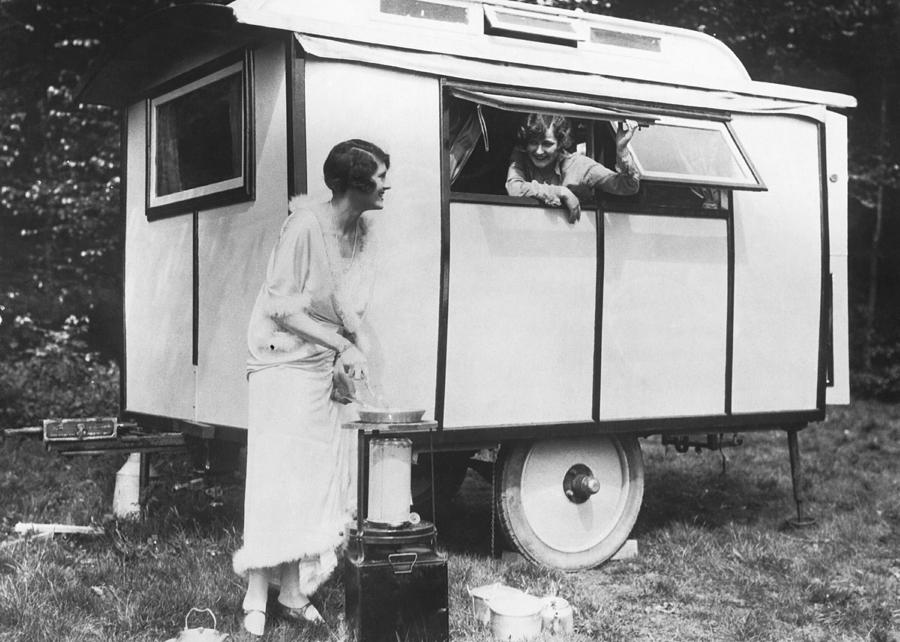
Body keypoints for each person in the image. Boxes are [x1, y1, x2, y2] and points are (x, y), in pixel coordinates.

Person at [233, 139, 390, 637]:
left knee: (314, 478)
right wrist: (343, 347)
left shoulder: (362, 230)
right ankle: (255, 594)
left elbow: (347, 307)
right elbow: (283, 307)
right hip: (281, 359)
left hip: (320, 361)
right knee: (276, 477)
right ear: (351, 185)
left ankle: (294, 591)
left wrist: (355, 349)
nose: (387, 184)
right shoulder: (303, 226)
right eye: (380, 176)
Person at [505, 113, 640, 223]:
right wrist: (560, 192)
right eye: (533, 143)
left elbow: (628, 186)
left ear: (560, 144)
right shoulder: (521, 156)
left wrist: (622, 150)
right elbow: (514, 188)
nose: (539, 151)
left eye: (547, 144)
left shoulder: (579, 165)